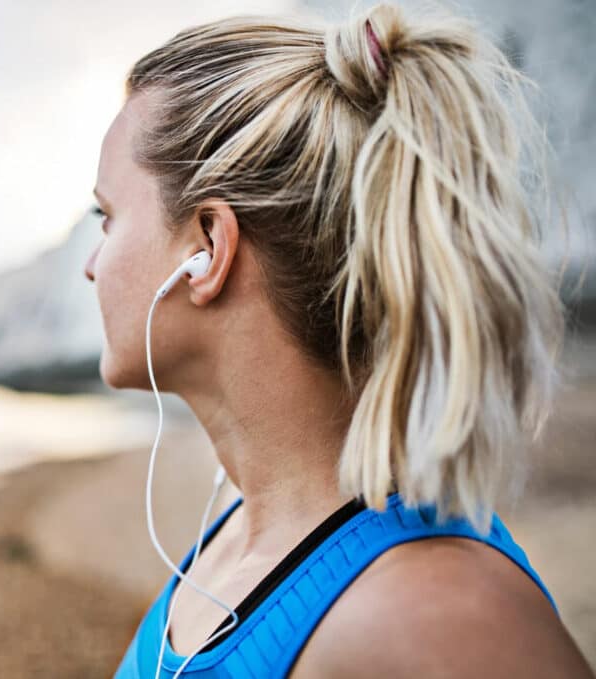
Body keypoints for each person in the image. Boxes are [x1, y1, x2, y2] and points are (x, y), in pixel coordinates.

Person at [83, 2, 594, 677]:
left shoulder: (440, 616)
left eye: (107, 217)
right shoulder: (235, 537)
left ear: (207, 246)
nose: (93, 264)